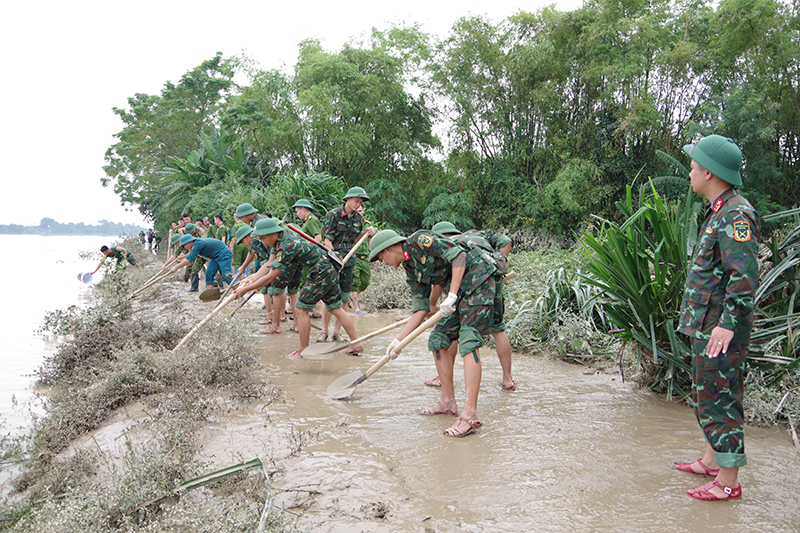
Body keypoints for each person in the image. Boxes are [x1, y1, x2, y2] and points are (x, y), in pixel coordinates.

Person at [675, 135, 759, 501]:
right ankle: (712, 460)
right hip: (706, 324)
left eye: (694, 166)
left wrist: (727, 323)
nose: (690, 171)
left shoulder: (737, 215)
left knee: (720, 399)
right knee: (705, 394)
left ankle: (728, 481)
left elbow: (743, 278)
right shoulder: (720, 210)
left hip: (720, 328)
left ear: (708, 172)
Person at [369, 228, 497, 437]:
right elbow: (420, 310)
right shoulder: (411, 269)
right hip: (460, 291)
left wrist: (452, 295)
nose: (382, 262)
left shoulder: (420, 240)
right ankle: (448, 402)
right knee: (438, 339)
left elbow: (458, 255)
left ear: (389, 249)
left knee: (468, 340)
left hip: (478, 280)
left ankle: (470, 414)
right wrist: (398, 341)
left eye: (381, 257)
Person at [233, 218, 363, 358]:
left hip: (320, 271)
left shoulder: (287, 245)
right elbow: (269, 263)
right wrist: (252, 278)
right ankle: (356, 344)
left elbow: (271, 277)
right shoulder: (281, 237)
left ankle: (303, 350)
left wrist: (245, 290)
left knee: (301, 309)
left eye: (264, 238)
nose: (263, 242)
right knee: (335, 308)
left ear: (272, 233)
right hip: (328, 268)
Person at [424, 222, 516, 392]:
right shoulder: (476, 234)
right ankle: (508, 379)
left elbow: (437, 285)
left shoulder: (448, 247)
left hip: (473, 288)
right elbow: (505, 240)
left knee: (452, 330)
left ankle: (443, 377)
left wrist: (431, 304)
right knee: (498, 328)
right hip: (492, 280)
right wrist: (496, 269)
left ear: (442, 236)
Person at [320, 187, 376, 341]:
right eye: (357, 201)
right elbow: (327, 239)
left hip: (349, 261)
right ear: (348, 199)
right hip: (333, 259)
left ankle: (337, 332)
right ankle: (323, 331)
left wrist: (366, 233)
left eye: (361, 202)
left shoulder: (358, 218)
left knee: (344, 297)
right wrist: (334, 258)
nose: (358, 204)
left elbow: (355, 239)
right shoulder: (333, 215)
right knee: (329, 296)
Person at [169, 234, 233, 291]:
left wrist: (176, 267)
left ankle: (238, 292)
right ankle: (210, 294)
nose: (185, 247)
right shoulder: (195, 244)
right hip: (215, 257)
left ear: (190, 242)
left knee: (227, 276)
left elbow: (188, 260)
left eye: (185, 245)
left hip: (224, 254)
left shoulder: (198, 244)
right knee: (208, 274)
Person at [350, 205, 373, 314]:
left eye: (360, 211)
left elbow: (369, 241)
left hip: (365, 257)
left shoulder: (367, 225)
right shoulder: (352, 224)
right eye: (357, 211)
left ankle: (353, 296)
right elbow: (354, 238)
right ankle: (356, 307)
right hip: (355, 256)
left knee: (366, 281)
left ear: (363, 211)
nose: (359, 213)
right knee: (356, 281)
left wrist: (374, 256)